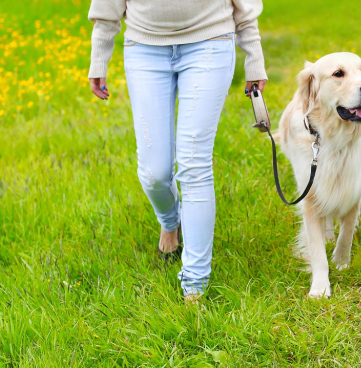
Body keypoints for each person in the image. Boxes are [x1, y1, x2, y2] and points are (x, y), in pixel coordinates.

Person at [87, 0, 267, 302]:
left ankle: (194, 284)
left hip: (210, 43)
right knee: (153, 173)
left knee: (194, 163)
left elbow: (246, 8)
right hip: (144, 49)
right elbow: (107, 8)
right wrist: (98, 59)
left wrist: (254, 59)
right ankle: (171, 222)